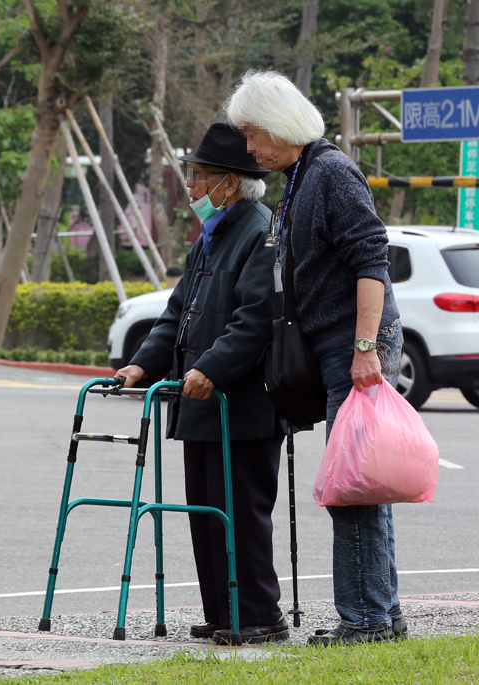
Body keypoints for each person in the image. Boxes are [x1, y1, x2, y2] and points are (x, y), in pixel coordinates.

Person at [224, 69, 406, 646]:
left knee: (351, 486)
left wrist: (364, 349)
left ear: (281, 126)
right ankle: (383, 613)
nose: (248, 147)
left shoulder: (329, 171)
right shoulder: (301, 175)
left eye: (253, 134)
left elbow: (373, 261)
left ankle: (365, 620)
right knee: (365, 482)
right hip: (335, 342)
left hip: (353, 343)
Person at [115, 123, 287, 644]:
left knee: (241, 513)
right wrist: (141, 364)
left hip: (242, 403)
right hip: (201, 403)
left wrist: (211, 368)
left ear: (228, 184)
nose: (191, 189)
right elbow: (176, 313)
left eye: (197, 177)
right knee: (205, 512)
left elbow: (256, 317)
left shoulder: (260, 231)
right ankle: (223, 613)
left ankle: (259, 615)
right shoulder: (210, 238)